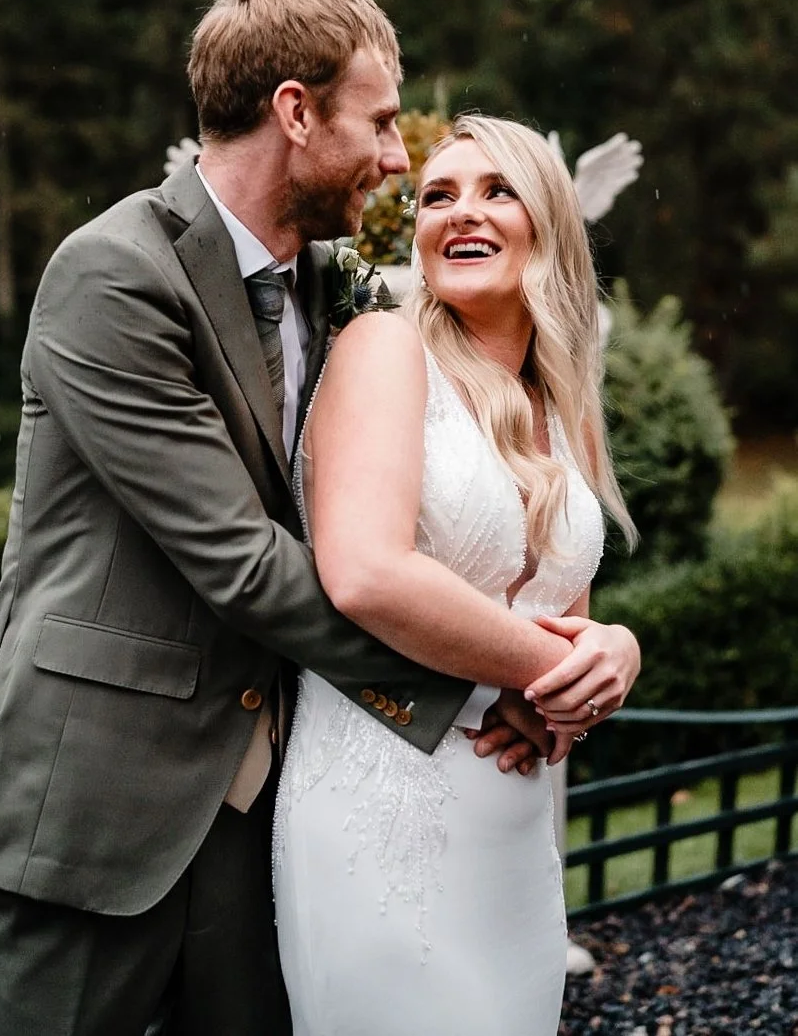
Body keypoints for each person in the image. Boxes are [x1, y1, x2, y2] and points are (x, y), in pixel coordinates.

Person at [0, 0, 573, 1036]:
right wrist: (499, 675)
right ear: (295, 112)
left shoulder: (338, 290)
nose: (393, 156)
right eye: (375, 122)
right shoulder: (111, 276)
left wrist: (575, 637)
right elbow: (239, 559)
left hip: (266, 818)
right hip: (96, 802)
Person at [273, 113, 641, 1035]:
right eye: (438, 194)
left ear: (549, 221)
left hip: (512, 826)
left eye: (495, 190)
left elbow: (564, 620)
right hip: (380, 810)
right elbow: (364, 573)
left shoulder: (562, 408)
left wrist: (614, 654)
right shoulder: (384, 349)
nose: (458, 213)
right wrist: (549, 669)